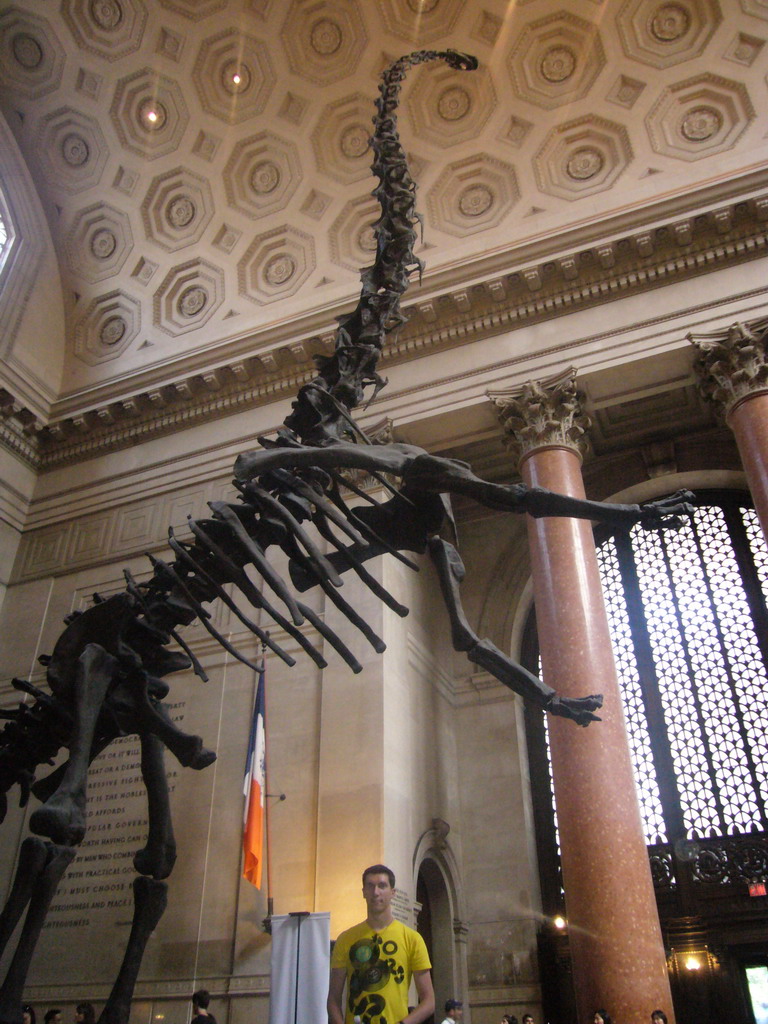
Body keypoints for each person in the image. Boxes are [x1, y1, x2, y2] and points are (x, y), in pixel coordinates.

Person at [327, 863, 435, 1024]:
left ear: (393, 893)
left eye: (382, 886)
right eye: (370, 886)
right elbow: (333, 1000)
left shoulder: (412, 939)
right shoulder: (346, 939)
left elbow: (429, 1001)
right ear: (363, 892)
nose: (376, 892)